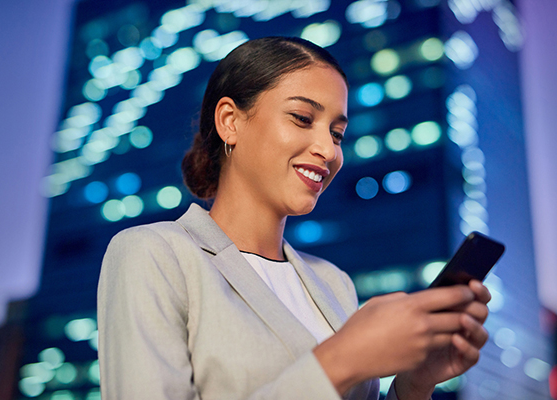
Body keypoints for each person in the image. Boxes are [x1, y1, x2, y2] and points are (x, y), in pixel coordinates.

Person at [97, 36, 491, 400]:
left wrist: (414, 381)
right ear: (230, 121)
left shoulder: (334, 284)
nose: (327, 149)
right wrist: (343, 358)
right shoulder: (154, 254)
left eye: (337, 134)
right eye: (303, 119)